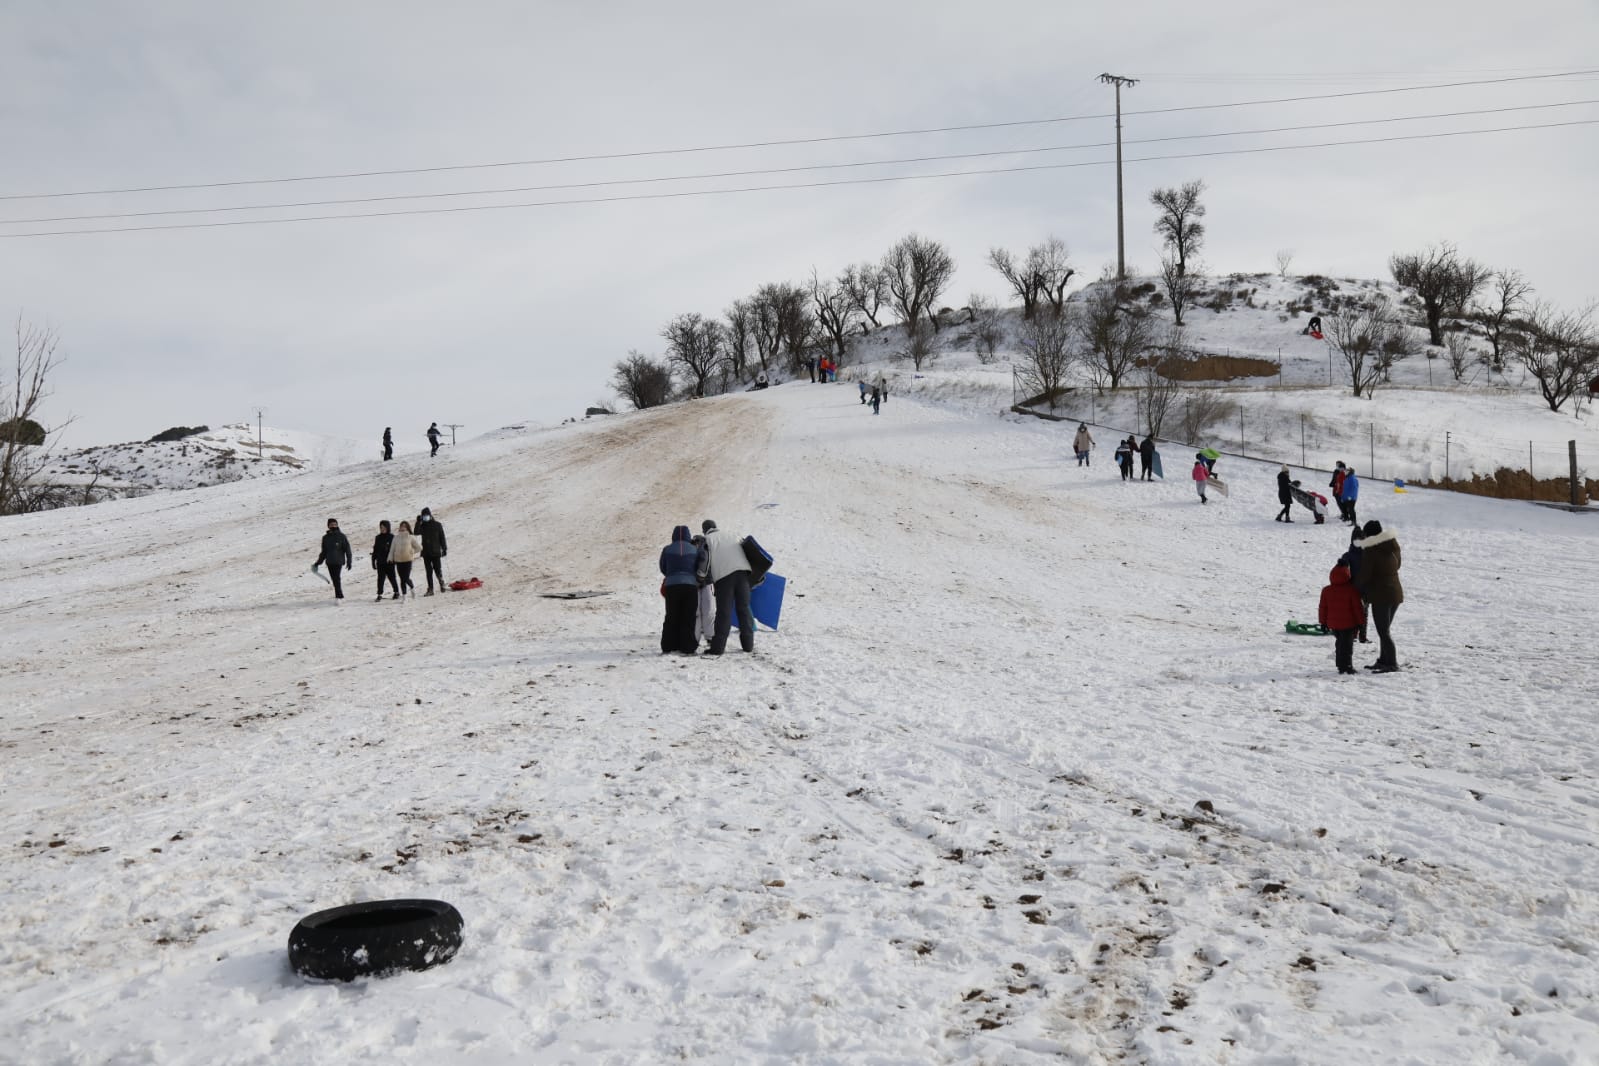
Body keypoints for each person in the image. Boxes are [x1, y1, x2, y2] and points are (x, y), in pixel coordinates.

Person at [1353, 520, 1402, 672]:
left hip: (1381, 594)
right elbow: (1398, 565)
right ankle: (1384, 660)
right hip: (1395, 593)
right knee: (1385, 630)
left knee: (1383, 632)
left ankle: (1392, 663)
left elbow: (1365, 574)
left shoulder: (1372, 549)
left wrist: (1355, 585)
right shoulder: (1393, 545)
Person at [701, 519, 755, 655]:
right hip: (743, 574)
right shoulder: (733, 534)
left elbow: (704, 561)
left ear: (704, 530)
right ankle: (748, 645)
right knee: (744, 608)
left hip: (724, 577)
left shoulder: (707, 540)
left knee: (724, 612)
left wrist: (702, 578)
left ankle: (718, 648)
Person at [659, 525, 703, 655]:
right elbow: (699, 566)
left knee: (671, 615)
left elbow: (663, 567)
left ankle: (668, 645)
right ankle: (688, 646)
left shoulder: (667, 549)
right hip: (690, 586)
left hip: (671, 585)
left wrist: (672, 574)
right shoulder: (694, 550)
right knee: (688, 616)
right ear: (688, 536)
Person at [1318, 563, 1365, 675]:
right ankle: (1347, 667)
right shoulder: (1352, 590)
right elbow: (1357, 609)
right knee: (1347, 647)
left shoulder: (1326, 590)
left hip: (1334, 624)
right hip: (1348, 624)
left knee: (1339, 644)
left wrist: (1323, 623)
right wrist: (1361, 623)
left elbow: (1323, 608)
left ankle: (1340, 664)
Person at [314, 518, 353, 602]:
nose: (333, 526)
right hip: (329, 562)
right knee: (334, 579)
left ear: (337, 525)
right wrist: (318, 562)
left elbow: (347, 549)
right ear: (328, 526)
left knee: (336, 579)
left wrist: (349, 561)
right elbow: (324, 552)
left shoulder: (341, 536)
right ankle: (340, 596)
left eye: (335, 524)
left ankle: (339, 597)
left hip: (338, 561)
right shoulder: (325, 538)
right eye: (331, 524)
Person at [415, 507, 448, 595]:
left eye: (427, 515)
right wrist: (418, 522)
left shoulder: (437, 525)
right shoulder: (422, 526)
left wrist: (444, 548)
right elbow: (416, 532)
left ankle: (441, 583)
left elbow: (442, 537)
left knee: (437, 569)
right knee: (428, 571)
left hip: (436, 551)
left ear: (430, 515)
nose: (426, 517)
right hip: (426, 552)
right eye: (424, 516)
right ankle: (430, 589)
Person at [691, 532, 715, 644]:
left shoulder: (698, 551)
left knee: (700, 612)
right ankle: (708, 636)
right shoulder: (707, 550)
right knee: (708, 611)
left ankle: (698, 637)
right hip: (706, 583)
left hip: (700, 583)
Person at [388, 520, 421, 600]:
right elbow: (392, 549)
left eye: (404, 526)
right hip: (398, 561)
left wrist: (412, 551)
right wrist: (390, 558)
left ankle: (412, 587)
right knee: (402, 578)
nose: (402, 527)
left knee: (405, 578)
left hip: (407, 560)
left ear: (407, 527)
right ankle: (404, 595)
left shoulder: (411, 537)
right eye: (401, 526)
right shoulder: (396, 538)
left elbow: (419, 547)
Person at [372, 520, 400, 601]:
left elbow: (395, 550)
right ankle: (379, 594)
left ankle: (396, 592)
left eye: (384, 527)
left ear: (388, 527)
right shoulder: (378, 538)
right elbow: (375, 550)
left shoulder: (392, 537)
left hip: (389, 562)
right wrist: (373, 561)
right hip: (380, 562)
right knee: (380, 579)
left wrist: (395, 560)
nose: (382, 529)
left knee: (392, 578)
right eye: (381, 527)